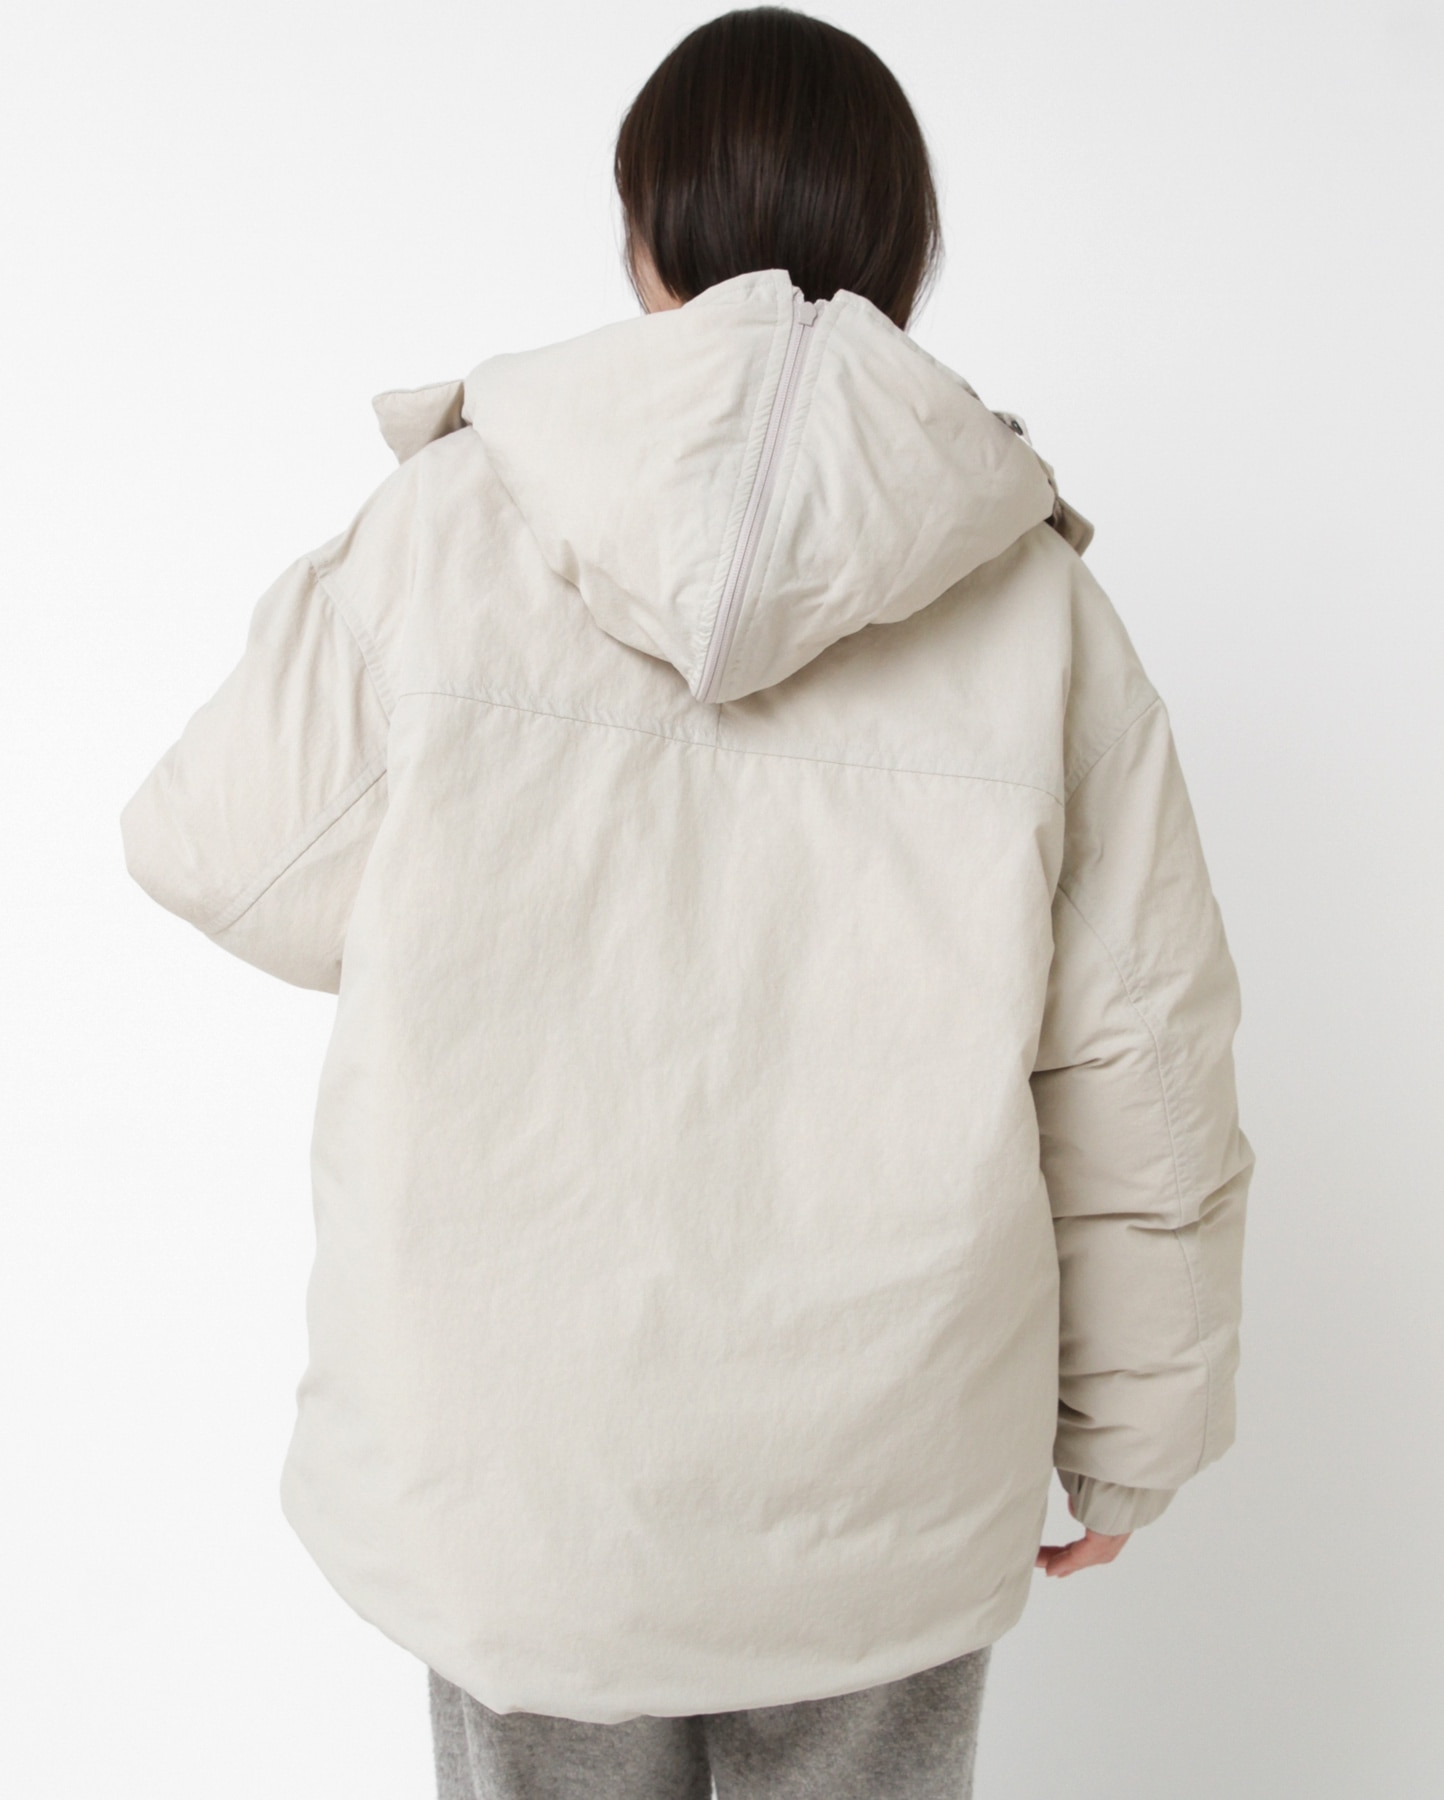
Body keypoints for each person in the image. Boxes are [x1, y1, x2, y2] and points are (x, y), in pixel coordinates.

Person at [120, 8, 1253, 1796]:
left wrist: (472, 909)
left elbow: (217, 846)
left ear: (644, 231)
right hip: (885, 1458)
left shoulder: (449, 526)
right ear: (907, 246)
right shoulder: (1039, 608)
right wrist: (1134, 1437)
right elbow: (1144, 1068)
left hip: (520, 1459)